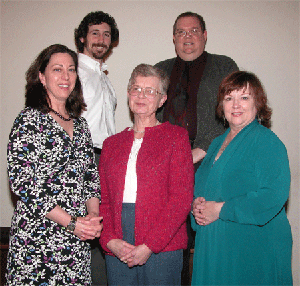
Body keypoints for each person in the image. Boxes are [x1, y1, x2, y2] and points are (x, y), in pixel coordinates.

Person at [6, 44, 103, 285]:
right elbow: (23, 184)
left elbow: (91, 179)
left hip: (76, 241)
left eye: (71, 69)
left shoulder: (81, 127)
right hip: (37, 242)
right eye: (57, 69)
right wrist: (71, 223)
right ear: (41, 76)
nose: (65, 76)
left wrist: (92, 217)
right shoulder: (28, 120)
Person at [155, 12, 239, 284]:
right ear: (173, 38)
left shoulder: (223, 66)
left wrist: (199, 150)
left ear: (204, 35)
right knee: (172, 240)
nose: (187, 37)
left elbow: (234, 114)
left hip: (212, 165)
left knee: (209, 241)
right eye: (181, 32)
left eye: (193, 31)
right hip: (168, 170)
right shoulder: (161, 69)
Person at [191, 71, 293, 285]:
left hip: (252, 251)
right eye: (229, 98)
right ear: (222, 106)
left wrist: (221, 209)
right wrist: (197, 208)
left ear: (258, 104)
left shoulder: (267, 142)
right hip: (214, 248)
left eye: (244, 98)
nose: (236, 105)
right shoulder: (216, 143)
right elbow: (203, 188)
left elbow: (273, 196)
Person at [99, 64, 194, 285]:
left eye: (150, 91)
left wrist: (151, 245)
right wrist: (109, 240)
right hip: (118, 243)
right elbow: (105, 201)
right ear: (128, 94)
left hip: (163, 243)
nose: (142, 96)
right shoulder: (111, 145)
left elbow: (180, 200)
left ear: (162, 100)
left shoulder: (176, 138)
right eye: (136, 89)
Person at [74, 11, 119, 285]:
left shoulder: (104, 78)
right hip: (83, 156)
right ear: (82, 37)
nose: (101, 39)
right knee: (84, 226)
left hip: (106, 158)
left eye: (107, 34)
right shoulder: (74, 72)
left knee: (103, 225)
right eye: (95, 33)